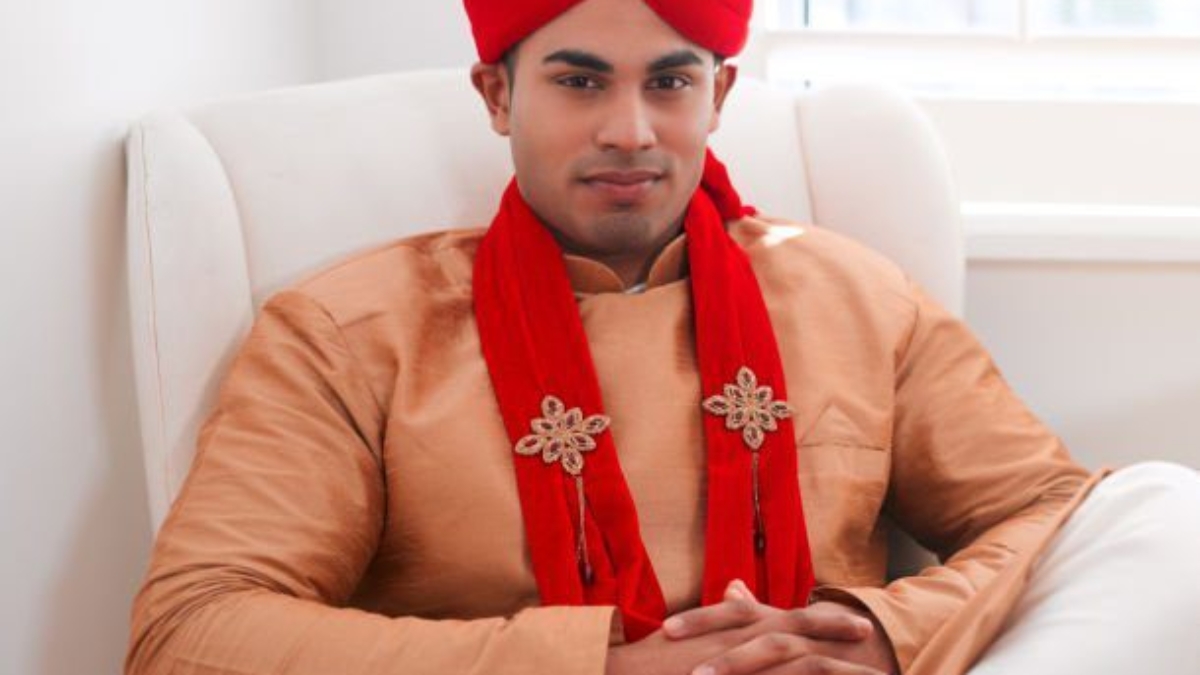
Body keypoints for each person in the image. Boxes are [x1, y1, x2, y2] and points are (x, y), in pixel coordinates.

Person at [125, 1, 1200, 673]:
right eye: (579, 80)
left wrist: (879, 633)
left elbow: (1053, 514)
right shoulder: (351, 330)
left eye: (670, 82)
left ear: (719, 95)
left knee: (1165, 510)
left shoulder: (853, 295)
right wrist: (601, 665)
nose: (630, 130)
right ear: (496, 94)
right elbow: (191, 632)